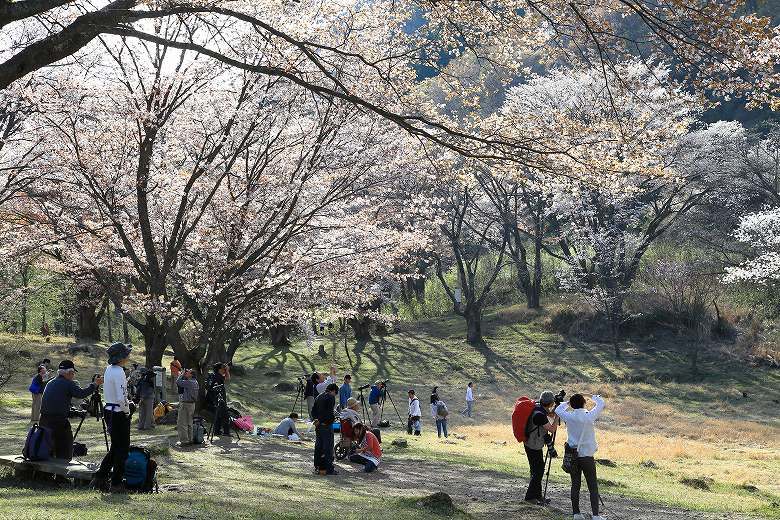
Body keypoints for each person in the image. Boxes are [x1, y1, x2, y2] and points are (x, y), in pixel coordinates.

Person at [555, 394, 606, 520]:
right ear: (584, 402)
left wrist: (569, 402)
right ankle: (595, 515)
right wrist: (589, 395)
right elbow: (601, 403)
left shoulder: (570, 416)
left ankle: (576, 513)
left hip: (573, 456)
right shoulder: (589, 416)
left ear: (572, 405)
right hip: (587, 456)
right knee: (592, 486)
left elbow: (557, 410)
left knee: (575, 485)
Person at [39, 360, 101, 460]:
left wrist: (74, 412)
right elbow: (81, 394)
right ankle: (62, 473)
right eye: (73, 373)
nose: (73, 376)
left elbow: (56, 404)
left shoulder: (50, 382)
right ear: (69, 373)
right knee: (66, 447)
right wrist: (94, 384)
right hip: (58, 422)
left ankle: (47, 473)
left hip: (43, 421)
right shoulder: (68, 383)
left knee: (48, 447)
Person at [92, 342, 132, 492]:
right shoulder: (119, 372)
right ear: (121, 357)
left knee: (116, 447)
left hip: (109, 409)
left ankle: (100, 477)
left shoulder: (109, 369)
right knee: (122, 450)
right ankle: (116, 483)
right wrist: (127, 410)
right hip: (118, 412)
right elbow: (122, 396)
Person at [523, 391, 559, 505]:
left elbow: (548, 415)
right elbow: (552, 429)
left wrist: (555, 410)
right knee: (538, 471)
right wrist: (558, 414)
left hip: (532, 443)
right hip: (533, 445)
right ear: (550, 403)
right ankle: (529, 497)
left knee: (537, 470)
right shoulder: (539, 415)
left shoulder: (538, 407)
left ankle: (537, 495)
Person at [312, 382, 339, 475]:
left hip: (318, 426)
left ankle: (317, 466)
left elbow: (313, 410)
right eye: (335, 394)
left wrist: (316, 420)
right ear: (334, 391)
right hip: (326, 425)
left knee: (318, 447)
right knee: (328, 448)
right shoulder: (330, 397)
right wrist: (322, 420)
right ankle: (328, 468)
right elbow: (328, 413)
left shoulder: (319, 396)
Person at [205, 363, 232, 436]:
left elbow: (226, 378)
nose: (224, 369)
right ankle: (226, 432)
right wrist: (227, 370)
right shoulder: (218, 377)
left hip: (214, 399)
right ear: (220, 369)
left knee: (218, 415)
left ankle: (217, 431)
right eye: (223, 368)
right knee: (225, 415)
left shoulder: (215, 376)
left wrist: (226, 370)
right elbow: (228, 378)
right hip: (218, 398)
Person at [176, 368, 199, 445]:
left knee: (182, 422)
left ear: (191, 374)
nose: (186, 372)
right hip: (192, 404)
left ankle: (184, 441)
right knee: (189, 423)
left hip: (186, 404)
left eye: (188, 372)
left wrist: (181, 374)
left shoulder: (189, 382)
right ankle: (190, 439)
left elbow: (178, 382)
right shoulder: (195, 382)